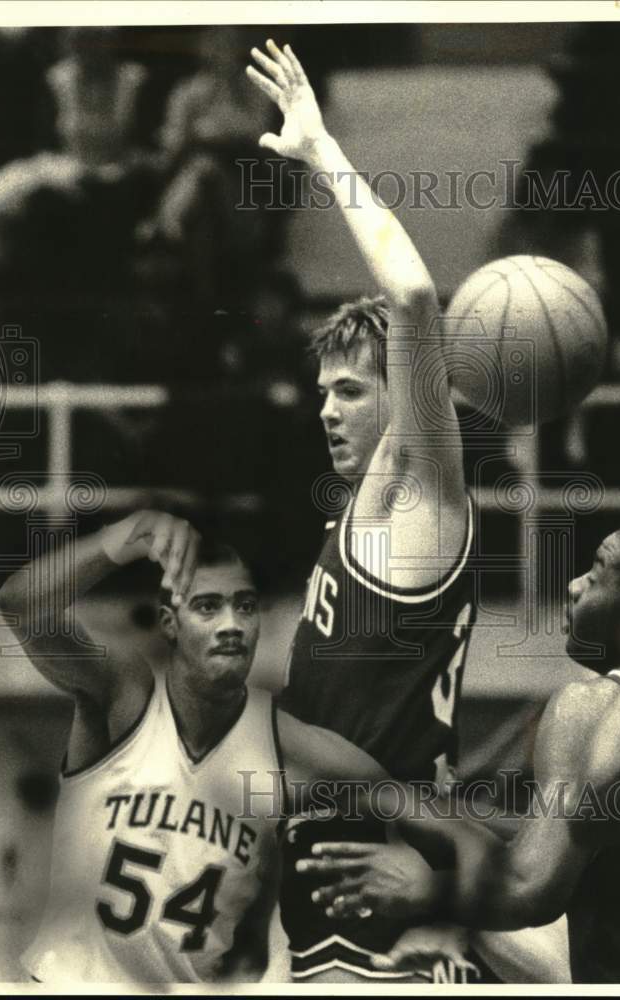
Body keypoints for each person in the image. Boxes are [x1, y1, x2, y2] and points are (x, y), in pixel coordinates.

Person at [246, 41, 483, 983]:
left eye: (350, 388)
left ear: (400, 398)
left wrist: (319, 152)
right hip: (334, 873)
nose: (326, 409)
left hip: (379, 881)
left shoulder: (423, 506)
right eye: (322, 392)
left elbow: (417, 296)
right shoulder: (356, 529)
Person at [0, 509, 391, 984]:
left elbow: (428, 815)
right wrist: (125, 535)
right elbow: (20, 604)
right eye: (207, 606)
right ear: (169, 622)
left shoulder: (290, 745)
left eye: (244, 606)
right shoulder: (126, 695)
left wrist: (430, 877)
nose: (231, 624)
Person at [302, 524, 620, 983]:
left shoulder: (588, 707)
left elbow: (529, 888)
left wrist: (426, 891)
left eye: (596, 574)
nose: (574, 585)